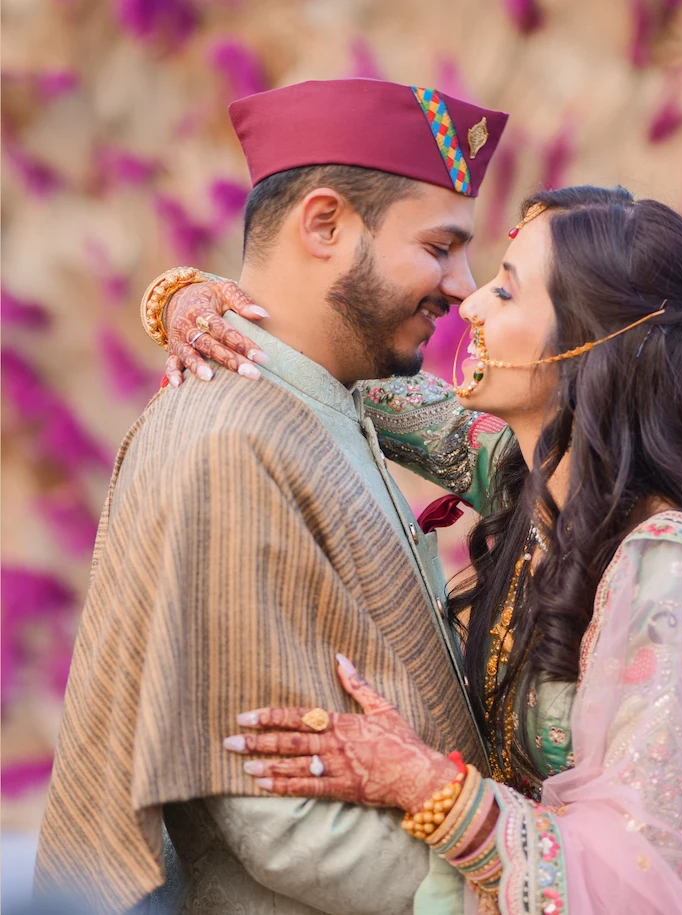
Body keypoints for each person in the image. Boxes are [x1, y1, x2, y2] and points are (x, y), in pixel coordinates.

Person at [156, 187, 682, 913]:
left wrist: (425, 786)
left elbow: (649, 878)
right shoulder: (534, 484)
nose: (470, 303)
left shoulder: (674, 570)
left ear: (589, 348)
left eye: (507, 292)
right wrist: (198, 303)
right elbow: (335, 371)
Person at [33, 78, 510, 915]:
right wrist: (511, 888)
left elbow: (505, 451)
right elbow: (274, 814)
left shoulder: (328, 393)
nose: (463, 286)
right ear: (323, 225)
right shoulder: (232, 439)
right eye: (439, 247)